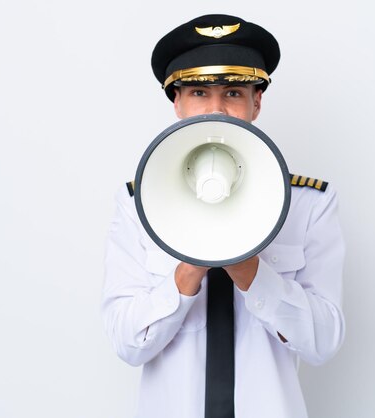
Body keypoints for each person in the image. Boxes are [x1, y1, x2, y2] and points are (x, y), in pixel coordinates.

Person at [101, 14, 345, 418]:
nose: (215, 110)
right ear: (177, 103)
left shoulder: (308, 203)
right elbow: (127, 343)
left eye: (233, 92)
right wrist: (188, 271)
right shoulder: (135, 205)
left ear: (257, 103)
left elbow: (324, 342)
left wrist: (249, 269)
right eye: (198, 92)